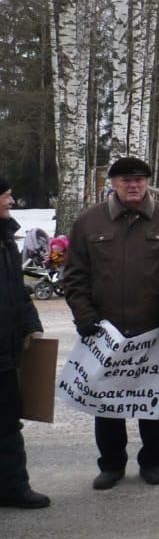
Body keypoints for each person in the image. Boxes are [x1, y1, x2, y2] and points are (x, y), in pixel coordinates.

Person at [62, 157, 159, 490]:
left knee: (152, 403)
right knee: (108, 402)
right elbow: (74, 276)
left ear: (147, 182)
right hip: (106, 333)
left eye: (140, 179)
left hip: (154, 333)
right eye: (126, 180)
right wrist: (85, 317)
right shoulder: (88, 222)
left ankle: (153, 462)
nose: (134, 185)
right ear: (113, 184)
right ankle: (112, 464)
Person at [0, 177, 48, 509]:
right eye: (5, 196)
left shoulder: (5, 240)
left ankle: (14, 487)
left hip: (5, 351)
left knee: (7, 420)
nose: (11, 201)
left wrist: (31, 326)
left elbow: (17, 291)